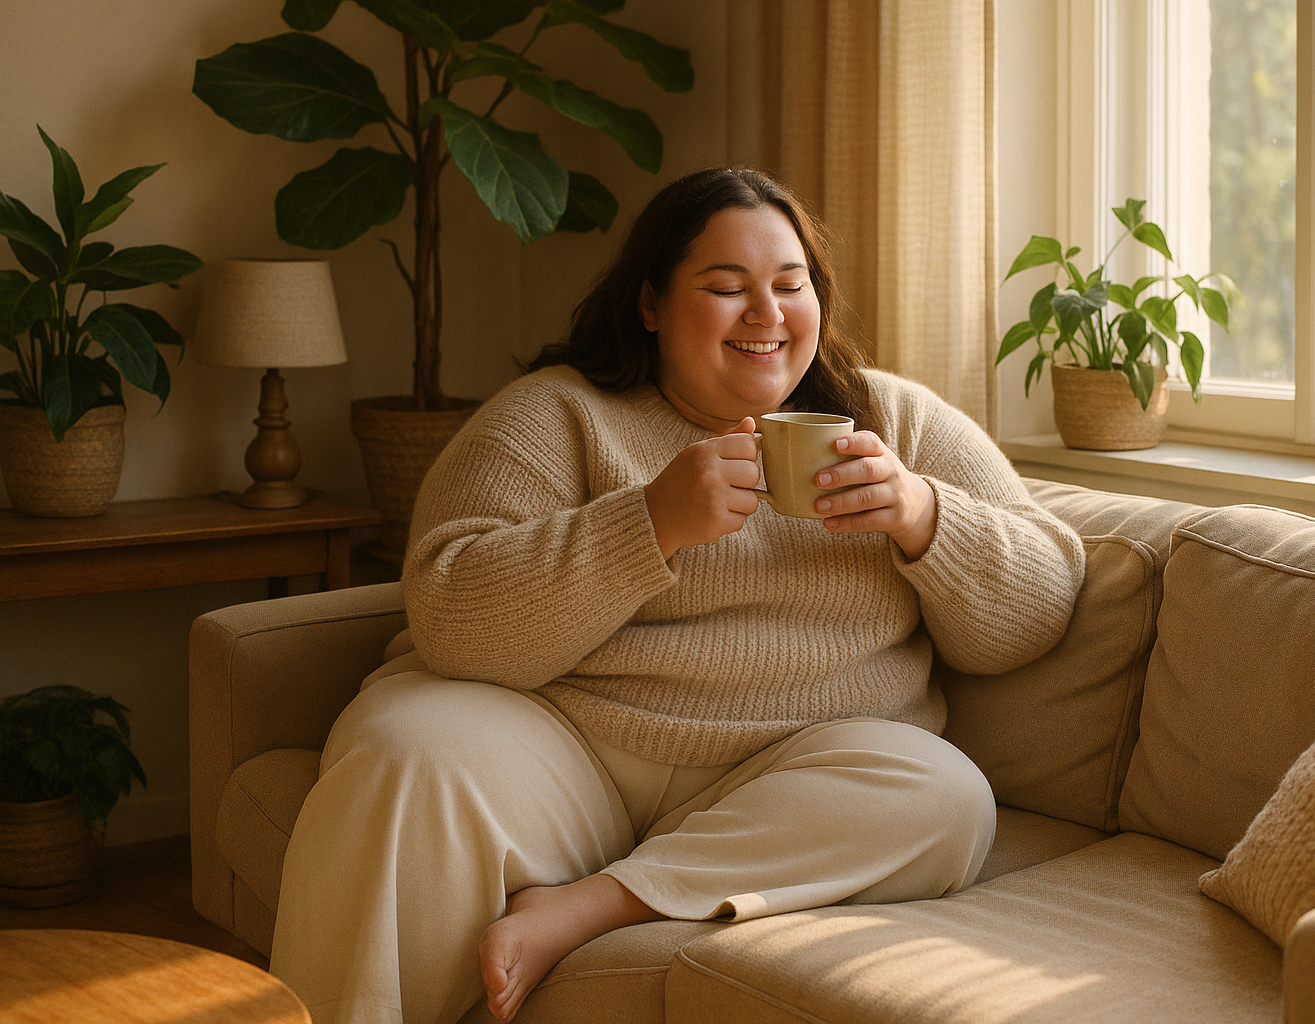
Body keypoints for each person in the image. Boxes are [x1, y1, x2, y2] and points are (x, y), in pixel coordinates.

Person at [268, 167, 1086, 1024]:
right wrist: (648, 522)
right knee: (404, 750)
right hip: (566, 747)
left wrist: (924, 516)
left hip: (791, 772)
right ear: (651, 304)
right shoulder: (557, 415)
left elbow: (1039, 611)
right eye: (726, 288)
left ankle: (595, 905)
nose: (766, 314)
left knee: (946, 797)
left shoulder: (894, 420)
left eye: (790, 284)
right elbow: (449, 618)